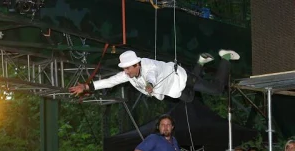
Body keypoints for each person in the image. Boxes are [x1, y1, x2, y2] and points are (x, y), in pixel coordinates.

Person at [69, 50, 240, 103]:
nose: (126, 72)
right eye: (125, 69)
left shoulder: (149, 66)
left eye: (128, 68)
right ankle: (201, 62)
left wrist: (150, 85)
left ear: (137, 64)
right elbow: (110, 81)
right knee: (188, 98)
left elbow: (152, 75)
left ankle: (225, 57)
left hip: (181, 78)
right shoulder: (128, 74)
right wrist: (86, 86)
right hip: (173, 90)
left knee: (217, 90)